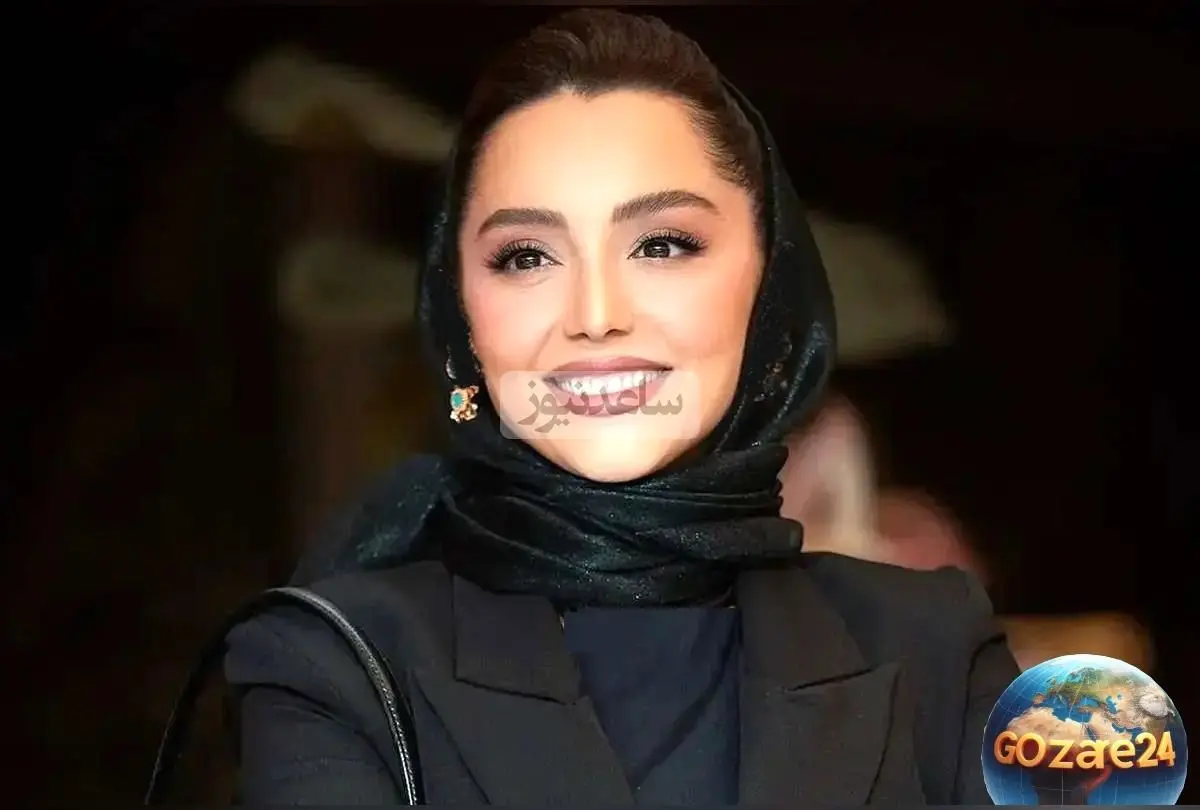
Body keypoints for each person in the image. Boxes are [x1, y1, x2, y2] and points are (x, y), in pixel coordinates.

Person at [225, 9, 1020, 805]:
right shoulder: (331, 661)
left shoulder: (931, 643)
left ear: (767, 282)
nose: (597, 313)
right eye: (526, 256)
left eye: (663, 245)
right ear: (461, 315)